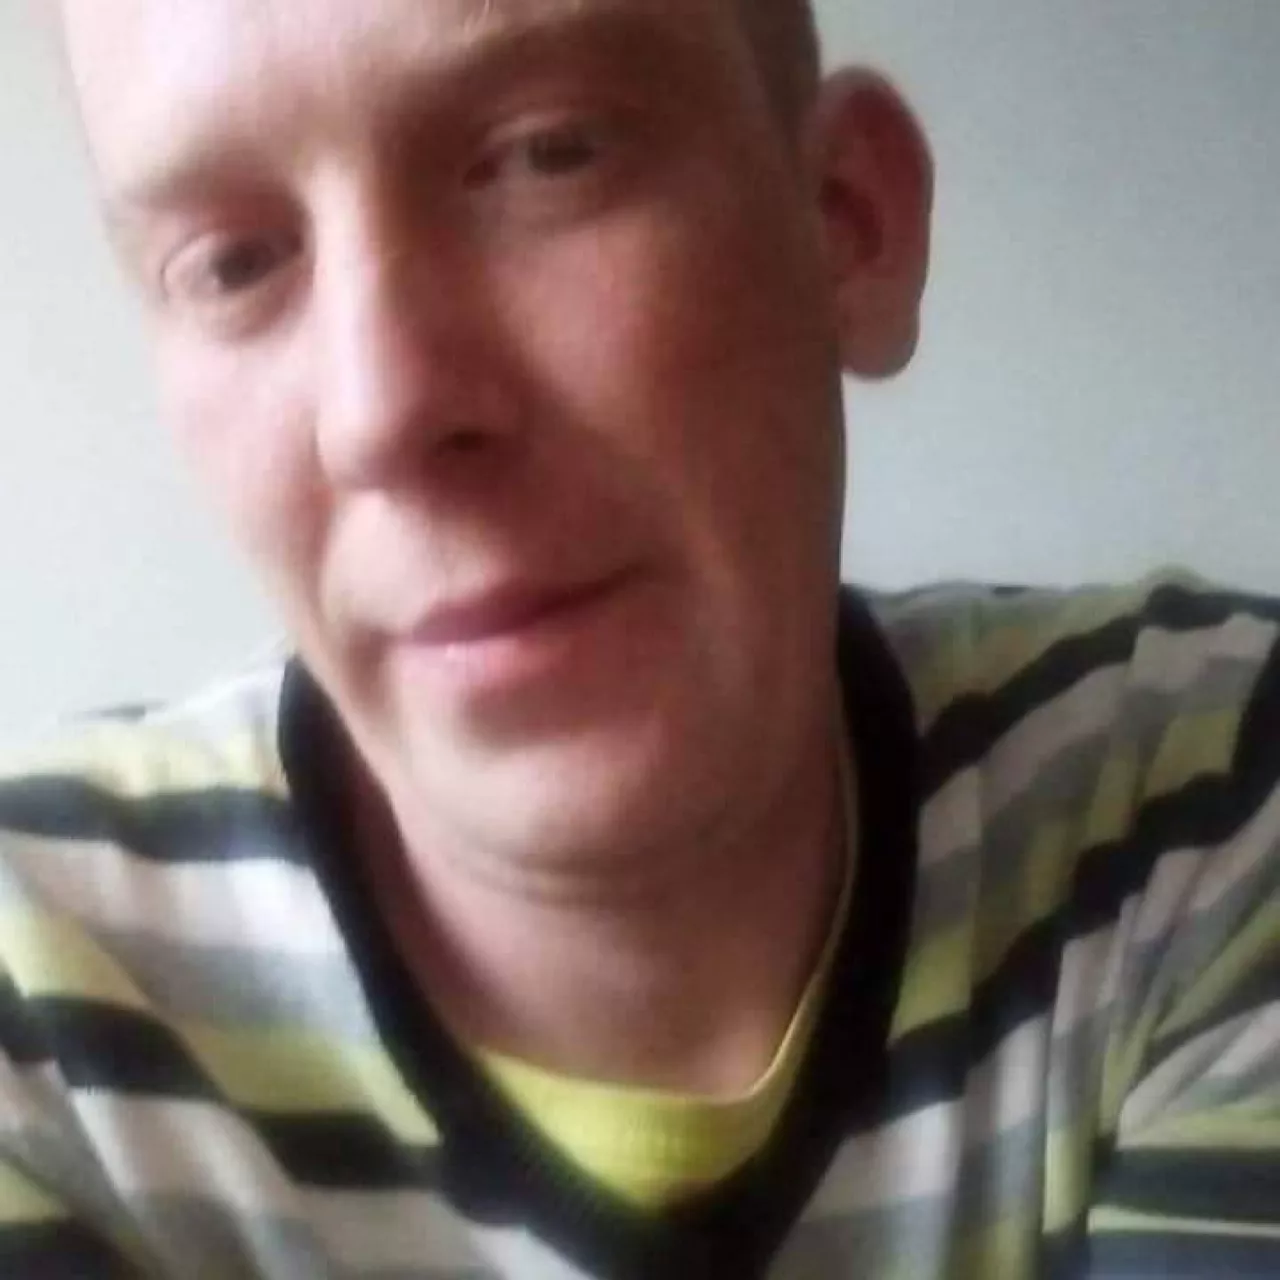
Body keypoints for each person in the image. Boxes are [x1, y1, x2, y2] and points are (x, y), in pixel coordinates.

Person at [1, 0, 1275, 1275]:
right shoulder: (35, 1003)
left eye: (546, 154)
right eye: (232, 262)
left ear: (844, 221)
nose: (381, 410)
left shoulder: (1217, 802)